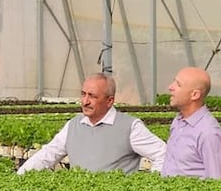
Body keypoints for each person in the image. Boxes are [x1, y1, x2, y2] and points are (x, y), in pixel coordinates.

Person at [17, 72, 165, 174]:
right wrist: (19, 177)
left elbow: (163, 153)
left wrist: (151, 184)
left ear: (110, 101)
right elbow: (47, 155)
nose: (85, 101)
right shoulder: (73, 126)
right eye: (83, 94)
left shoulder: (130, 127)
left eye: (92, 96)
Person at [161, 66, 221, 179]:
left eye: (178, 84)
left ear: (195, 95)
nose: (170, 87)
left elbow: (218, 182)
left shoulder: (209, 133)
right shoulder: (178, 122)